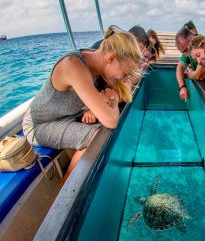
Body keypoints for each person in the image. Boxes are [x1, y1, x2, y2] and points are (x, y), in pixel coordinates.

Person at [23, 26, 142, 183]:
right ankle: (65, 194)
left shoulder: (97, 60)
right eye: (124, 73)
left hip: (67, 116)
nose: (123, 78)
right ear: (111, 59)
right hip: (40, 125)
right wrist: (112, 98)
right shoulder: (73, 65)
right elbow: (111, 121)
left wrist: (109, 99)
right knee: (96, 137)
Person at [175, 21, 205, 101]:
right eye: (182, 52)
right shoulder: (188, 50)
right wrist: (182, 86)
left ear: (193, 40)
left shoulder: (203, 46)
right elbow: (180, 68)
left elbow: (199, 76)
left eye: (185, 50)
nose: (186, 55)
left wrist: (186, 75)